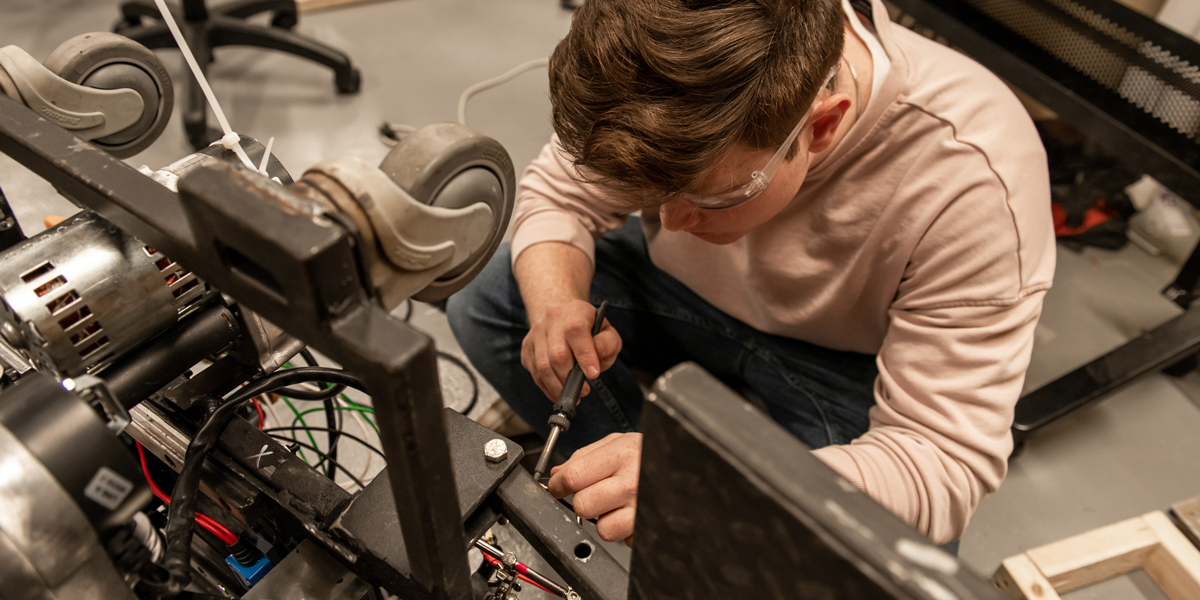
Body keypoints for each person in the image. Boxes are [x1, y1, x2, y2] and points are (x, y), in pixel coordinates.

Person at [447, 0, 1053, 547]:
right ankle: (626, 482)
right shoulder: (667, 59)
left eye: (707, 197)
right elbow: (560, 194)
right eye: (649, 192)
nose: (668, 221)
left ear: (820, 126)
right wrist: (556, 302)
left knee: (883, 550)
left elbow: (940, 465)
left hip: (843, 364)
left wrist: (706, 482)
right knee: (492, 300)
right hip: (680, 294)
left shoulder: (975, 176)